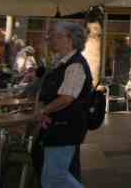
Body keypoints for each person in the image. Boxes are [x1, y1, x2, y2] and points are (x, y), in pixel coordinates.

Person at [38, 22, 93, 188]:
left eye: (57, 36)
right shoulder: (63, 62)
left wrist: (43, 111)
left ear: (70, 40)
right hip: (60, 126)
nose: (52, 40)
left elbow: (66, 98)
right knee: (53, 176)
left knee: (54, 177)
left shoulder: (75, 65)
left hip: (66, 127)